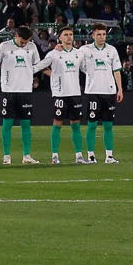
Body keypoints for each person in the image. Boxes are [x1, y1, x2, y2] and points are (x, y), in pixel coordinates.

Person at [36, 26, 87, 164]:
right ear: (60, 38)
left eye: (71, 34)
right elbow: (39, 67)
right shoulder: (53, 54)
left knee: (76, 125)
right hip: (60, 94)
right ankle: (54, 155)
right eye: (66, 34)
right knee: (57, 123)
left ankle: (79, 156)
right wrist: (52, 75)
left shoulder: (79, 54)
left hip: (75, 93)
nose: (69, 37)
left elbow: (86, 69)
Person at [0, 23, 41, 165]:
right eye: (22, 41)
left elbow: (36, 65)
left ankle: (26, 155)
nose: (24, 44)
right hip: (9, 90)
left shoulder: (32, 47)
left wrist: (35, 78)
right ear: (16, 36)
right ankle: (6, 156)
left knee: (26, 124)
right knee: (7, 124)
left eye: (26, 42)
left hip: (26, 90)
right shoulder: (4, 46)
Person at [80, 23, 125, 164]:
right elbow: (72, 57)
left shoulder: (112, 50)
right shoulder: (85, 50)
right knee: (92, 124)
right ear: (93, 35)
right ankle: (91, 155)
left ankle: (109, 156)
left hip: (109, 91)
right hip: (93, 91)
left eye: (104, 34)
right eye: (99, 34)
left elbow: (116, 70)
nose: (101, 37)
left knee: (108, 125)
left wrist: (120, 89)